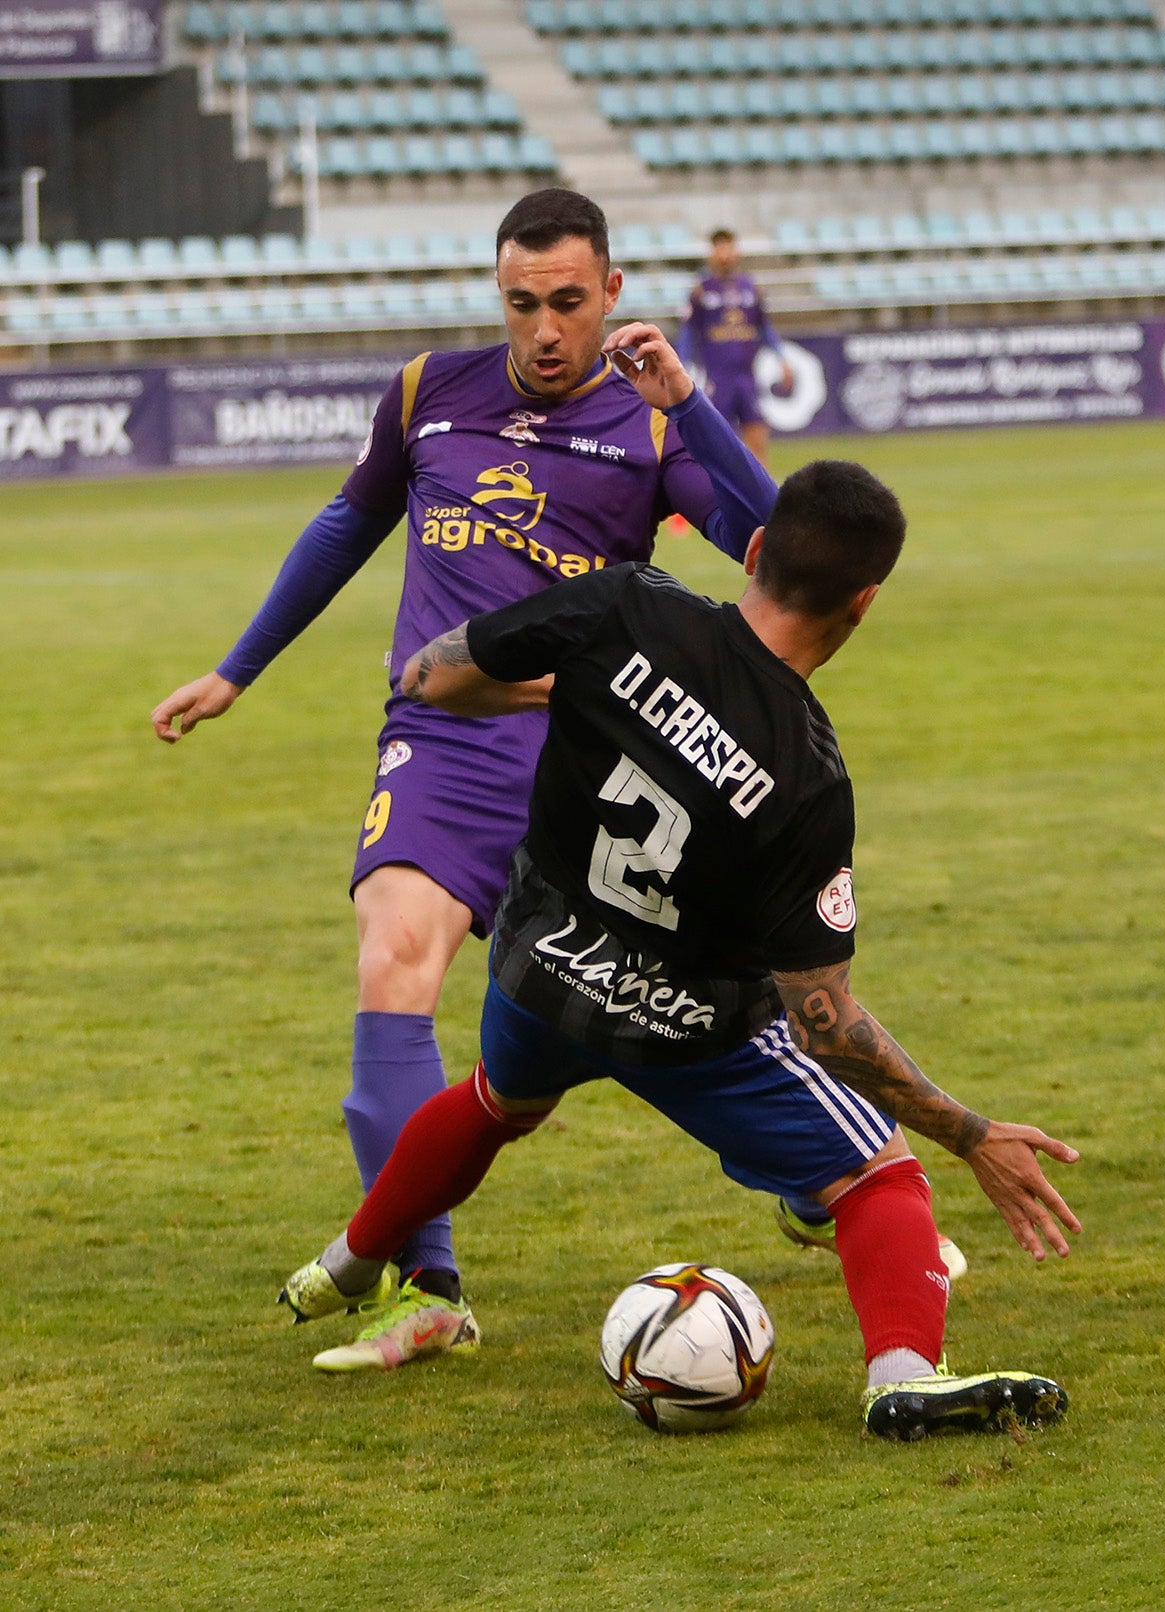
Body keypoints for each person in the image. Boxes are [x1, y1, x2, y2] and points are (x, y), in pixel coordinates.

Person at [280, 323, 1080, 1441]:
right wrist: (969, 1127)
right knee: (879, 1179)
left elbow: (432, 670)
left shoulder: (620, 607)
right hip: (687, 1028)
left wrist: (550, 691)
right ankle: (900, 1370)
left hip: (536, 969)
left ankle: (354, 1257)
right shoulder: (809, 774)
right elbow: (826, 1017)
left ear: (753, 556)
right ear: (864, 604)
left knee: (494, 1102)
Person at [150, 190, 778, 1357]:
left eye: (569, 304)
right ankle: (428, 1286)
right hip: (441, 738)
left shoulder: (646, 427)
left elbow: (776, 551)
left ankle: (817, 1170)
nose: (544, 330)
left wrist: (689, 407)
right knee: (393, 961)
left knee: (680, 1002)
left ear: (614, 296)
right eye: (522, 304)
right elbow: (347, 525)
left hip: (593, 754)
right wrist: (239, 669)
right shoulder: (430, 390)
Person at [676, 228, 794, 469]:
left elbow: (764, 328)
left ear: (736, 250)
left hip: (748, 377)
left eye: (728, 246)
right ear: (712, 253)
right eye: (719, 247)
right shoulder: (701, 290)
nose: (725, 253)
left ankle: (764, 501)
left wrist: (782, 359)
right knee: (717, 444)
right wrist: (681, 364)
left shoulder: (751, 288)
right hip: (718, 378)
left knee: (758, 438)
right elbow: (689, 332)